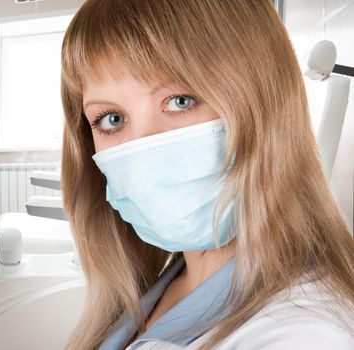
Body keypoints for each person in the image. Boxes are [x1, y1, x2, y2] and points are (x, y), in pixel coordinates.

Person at [59, 1, 354, 349]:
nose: (144, 149)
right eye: (112, 118)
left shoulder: (307, 333)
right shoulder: (171, 280)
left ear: (264, 100)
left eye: (181, 100)